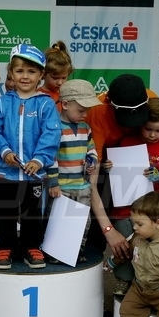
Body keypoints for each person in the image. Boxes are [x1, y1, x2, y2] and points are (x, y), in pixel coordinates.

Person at [0, 44, 60, 270]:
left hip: (34, 174)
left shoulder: (46, 103)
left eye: (31, 71)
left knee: (32, 213)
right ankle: (4, 247)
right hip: (6, 172)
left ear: (41, 75)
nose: (25, 76)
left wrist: (39, 160)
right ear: (11, 73)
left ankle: (31, 247)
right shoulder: (1, 103)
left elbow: (51, 134)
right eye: (19, 71)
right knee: (3, 211)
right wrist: (5, 152)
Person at [82, 74, 158, 262]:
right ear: (110, 103)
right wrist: (108, 229)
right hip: (105, 162)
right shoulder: (97, 112)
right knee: (97, 222)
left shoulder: (153, 99)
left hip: (138, 159)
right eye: (125, 116)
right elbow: (91, 183)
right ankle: (95, 259)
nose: (132, 123)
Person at [109, 97, 159, 294]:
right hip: (124, 207)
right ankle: (125, 283)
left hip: (150, 209)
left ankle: (147, 286)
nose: (153, 134)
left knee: (148, 248)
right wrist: (109, 166)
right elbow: (115, 166)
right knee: (125, 247)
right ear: (140, 124)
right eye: (148, 129)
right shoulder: (127, 141)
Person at [46, 79, 101, 262]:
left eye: (87, 110)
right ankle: (54, 252)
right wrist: (53, 183)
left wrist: (91, 160)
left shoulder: (86, 128)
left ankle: (77, 251)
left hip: (82, 185)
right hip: (61, 186)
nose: (85, 114)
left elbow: (91, 149)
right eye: (81, 110)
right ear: (65, 104)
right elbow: (50, 157)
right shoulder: (54, 127)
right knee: (58, 221)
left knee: (82, 222)